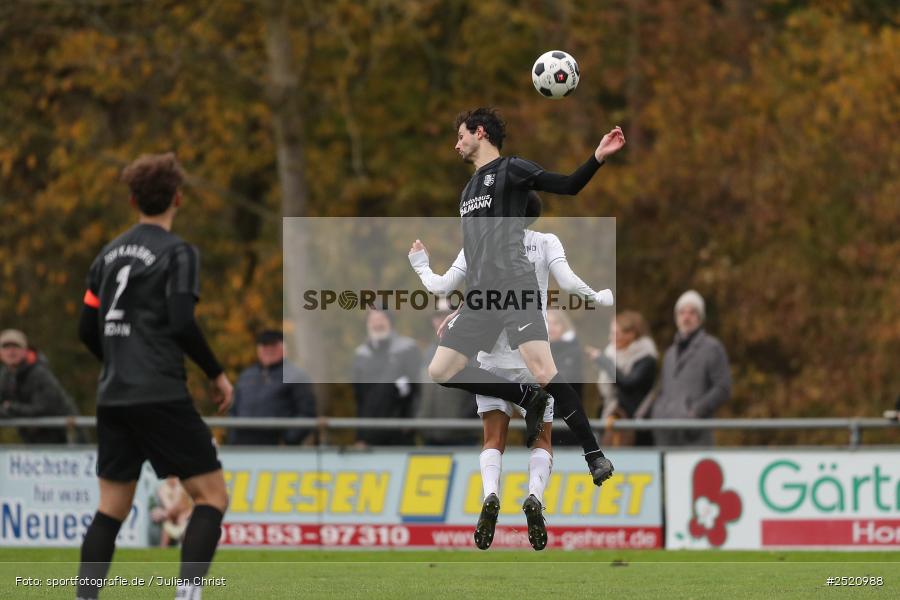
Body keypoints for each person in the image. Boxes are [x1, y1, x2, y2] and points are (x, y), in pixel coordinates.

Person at [425, 107, 625, 486]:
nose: (457, 144)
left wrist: (597, 157)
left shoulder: (511, 169)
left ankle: (594, 455)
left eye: (461, 136)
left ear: (480, 132)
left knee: (545, 371)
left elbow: (567, 185)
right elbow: (476, 253)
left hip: (514, 287)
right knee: (440, 370)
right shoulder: (467, 190)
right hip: (482, 297)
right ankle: (523, 395)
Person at [409, 193, 613, 550]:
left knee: (493, 440)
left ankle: (491, 495)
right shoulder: (546, 242)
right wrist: (599, 297)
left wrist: (421, 265)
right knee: (542, 440)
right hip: (532, 355)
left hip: (490, 360)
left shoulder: (479, 240)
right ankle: (535, 496)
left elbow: (441, 286)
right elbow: (567, 282)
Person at [77, 153, 232, 600]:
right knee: (211, 497)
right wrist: (217, 374)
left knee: (110, 509)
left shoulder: (105, 256)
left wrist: (118, 360)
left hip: (114, 394)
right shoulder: (178, 253)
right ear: (178, 198)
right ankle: (187, 595)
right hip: (160, 391)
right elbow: (182, 321)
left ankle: (84, 598)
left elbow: (87, 327)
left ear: (132, 200)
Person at [650, 290, 731, 446]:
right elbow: (664, 390)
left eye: (692, 312)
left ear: (700, 317)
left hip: (695, 435)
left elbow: (723, 388)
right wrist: (659, 412)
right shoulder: (670, 353)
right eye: (682, 312)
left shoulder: (712, 348)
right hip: (666, 434)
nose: (686, 317)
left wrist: (695, 412)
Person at [228, 329, 317, 446]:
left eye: (274, 346)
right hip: (244, 444)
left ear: (284, 348)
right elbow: (233, 410)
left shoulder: (296, 376)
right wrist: (233, 439)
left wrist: (288, 440)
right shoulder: (246, 375)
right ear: (258, 349)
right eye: (264, 346)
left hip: (278, 447)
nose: (269, 350)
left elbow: (306, 413)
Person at [351, 307, 422, 447]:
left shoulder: (408, 349)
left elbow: (418, 392)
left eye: (381, 319)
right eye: (373, 320)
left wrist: (411, 423)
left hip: (400, 435)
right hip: (370, 436)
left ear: (390, 322)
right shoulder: (361, 355)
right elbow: (359, 400)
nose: (377, 324)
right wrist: (360, 435)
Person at [587, 310, 658, 447]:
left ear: (631, 334)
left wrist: (604, 361)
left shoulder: (647, 358)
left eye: (615, 334)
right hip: (610, 419)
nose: (610, 338)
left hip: (637, 425)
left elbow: (628, 384)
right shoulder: (613, 353)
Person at [415, 306, 479, 446]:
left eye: (446, 314)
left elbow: (479, 392)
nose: (442, 319)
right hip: (430, 437)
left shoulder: (471, 350)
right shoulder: (427, 352)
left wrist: (463, 420)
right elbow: (419, 392)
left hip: (462, 438)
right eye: (437, 316)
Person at [0, 329, 79, 443]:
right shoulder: (5, 375)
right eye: (6, 347)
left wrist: (11, 408)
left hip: (64, 437)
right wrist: (8, 409)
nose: (11, 351)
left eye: (16, 346)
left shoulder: (39, 373)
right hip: (34, 439)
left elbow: (43, 409)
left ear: (25, 350)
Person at [547, 309, 584, 447]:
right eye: (547, 323)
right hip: (539, 419)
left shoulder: (573, 351)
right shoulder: (535, 352)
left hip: (566, 420)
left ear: (564, 326)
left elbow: (563, 381)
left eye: (555, 323)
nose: (550, 327)